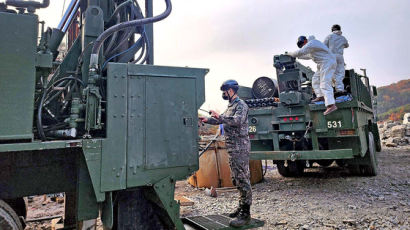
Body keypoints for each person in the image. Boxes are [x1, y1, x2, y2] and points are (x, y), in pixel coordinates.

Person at [199, 80, 252, 227]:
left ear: (232, 90)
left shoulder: (241, 105)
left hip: (240, 147)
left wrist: (219, 116)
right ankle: (241, 206)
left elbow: (237, 121)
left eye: (225, 90)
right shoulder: (230, 106)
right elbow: (221, 120)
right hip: (232, 147)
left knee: (242, 178)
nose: (224, 93)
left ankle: (245, 214)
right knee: (236, 178)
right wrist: (208, 119)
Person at [288, 35, 337, 115]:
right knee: (315, 79)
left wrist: (289, 54)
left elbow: (300, 52)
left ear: (305, 41)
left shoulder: (312, 43)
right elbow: (306, 56)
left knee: (325, 83)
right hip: (322, 64)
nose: (302, 47)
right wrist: (297, 57)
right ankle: (320, 96)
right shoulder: (312, 49)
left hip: (327, 62)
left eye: (302, 45)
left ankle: (331, 105)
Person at [324, 24, 349, 96]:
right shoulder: (343, 38)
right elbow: (347, 45)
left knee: (332, 72)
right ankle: (340, 89)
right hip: (340, 56)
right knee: (340, 73)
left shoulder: (329, 36)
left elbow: (323, 45)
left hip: (331, 56)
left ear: (332, 30)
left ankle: (332, 89)